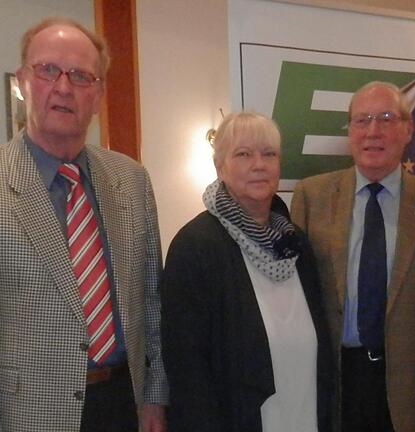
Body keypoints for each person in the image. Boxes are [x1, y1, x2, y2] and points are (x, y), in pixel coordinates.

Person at [0, 17, 167, 431]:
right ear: (22, 80)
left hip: (123, 406)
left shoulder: (131, 180)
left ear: (99, 94)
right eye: (47, 70)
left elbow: (152, 302)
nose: (63, 87)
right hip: (28, 413)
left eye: (80, 76)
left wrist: (155, 399)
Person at [291, 81, 415, 432]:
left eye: (386, 118)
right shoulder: (312, 197)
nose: (373, 131)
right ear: (350, 131)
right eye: (362, 120)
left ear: (408, 130)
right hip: (334, 379)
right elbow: (294, 299)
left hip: (408, 387)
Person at [161, 112, 333, 432]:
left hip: (305, 411)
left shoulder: (295, 243)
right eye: (243, 154)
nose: (259, 164)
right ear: (219, 167)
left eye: (269, 154)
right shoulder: (194, 247)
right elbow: (186, 367)